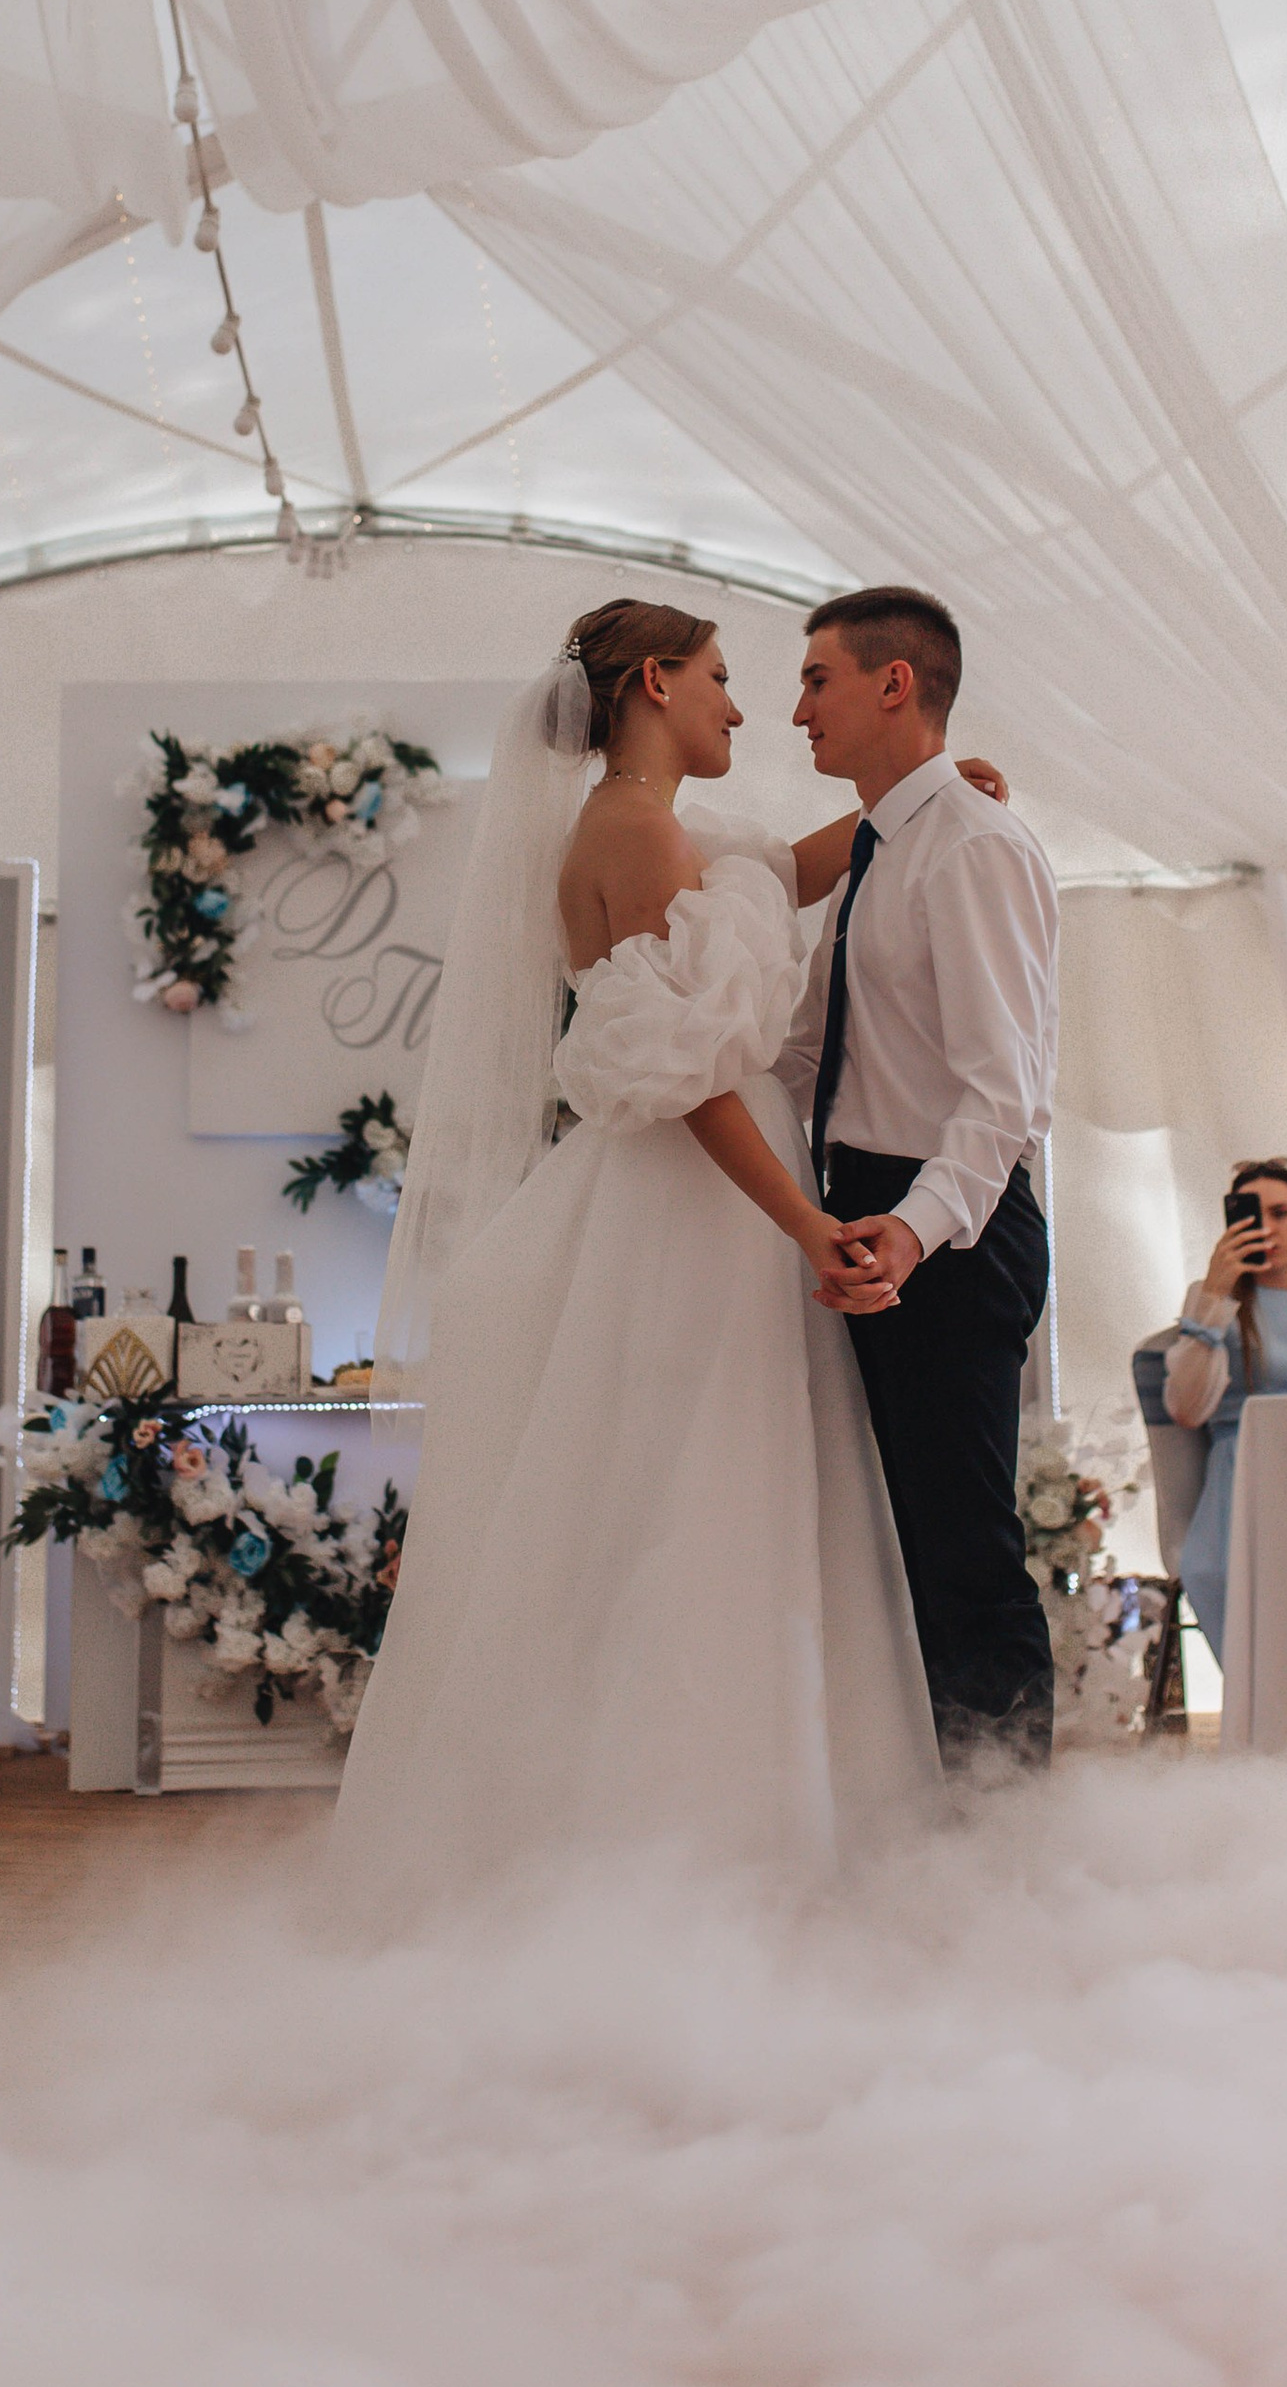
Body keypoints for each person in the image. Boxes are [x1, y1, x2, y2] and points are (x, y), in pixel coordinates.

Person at [331, 602, 968, 1904]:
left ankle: (724, 1838)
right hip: (699, 1206)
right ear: (658, 683)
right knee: (702, 1512)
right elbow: (686, 1077)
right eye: (723, 678)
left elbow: (779, 873)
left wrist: (921, 803)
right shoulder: (629, 832)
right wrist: (802, 1220)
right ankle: (697, 1853)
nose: (743, 706)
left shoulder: (666, 827)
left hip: (709, 1202)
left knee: (709, 1501)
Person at [780, 587, 1060, 1759]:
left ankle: (1006, 1832)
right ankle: (922, 1815)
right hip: (860, 1219)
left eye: (816, 680)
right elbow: (808, 1053)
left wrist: (912, 1224)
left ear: (894, 683)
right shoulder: (873, 854)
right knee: (887, 1554)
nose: (797, 711)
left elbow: (1006, 1087)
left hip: (945, 1233)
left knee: (960, 1556)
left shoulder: (977, 846)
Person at [1157, 1163, 1287, 1667]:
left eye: (1281, 1212)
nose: (1267, 1226)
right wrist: (1215, 1295)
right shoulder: (1215, 1304)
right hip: (1245, 1484)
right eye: (1252, 1215)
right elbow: (1184, 1408)